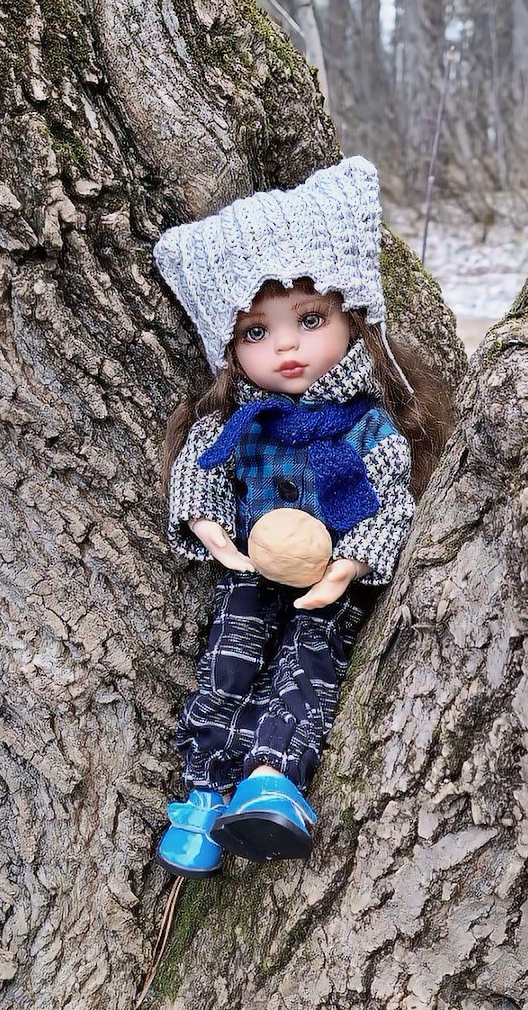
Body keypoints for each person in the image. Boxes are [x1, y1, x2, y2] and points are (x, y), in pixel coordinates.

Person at [151, 157, 452, 876]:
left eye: (309, 319)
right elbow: (201, 472)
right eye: (256, 332)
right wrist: (211, 529)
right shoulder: (239, 421)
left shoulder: (367, 426)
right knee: (226, 664)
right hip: (250, 567)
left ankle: (270, 778)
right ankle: (203, 792)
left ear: (352, 318)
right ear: (229, 348)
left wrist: (351, 563)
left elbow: (390, 499)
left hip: (328, 575)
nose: (286, 345)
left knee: (308, 662)